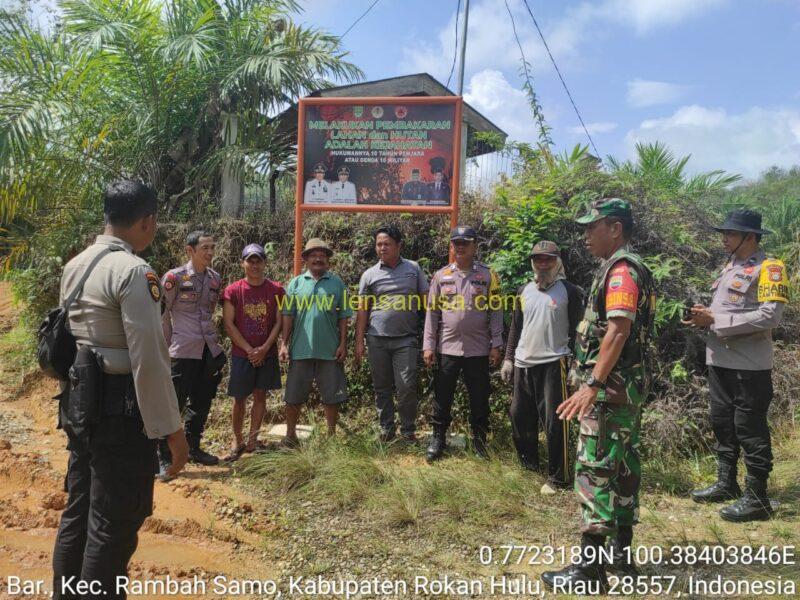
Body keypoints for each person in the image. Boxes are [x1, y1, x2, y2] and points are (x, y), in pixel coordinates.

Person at [52, 180, 188, 600]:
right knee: (112, 524)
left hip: (81, 406)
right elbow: (150, 361)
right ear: (147, 221)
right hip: (120, 414)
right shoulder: (133, 271)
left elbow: (67, 344)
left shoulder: (76, 264)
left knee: (78, 512)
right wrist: (173, 432)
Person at [541, 198, 656, 591]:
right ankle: (621, 555)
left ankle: (590, 572)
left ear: (616, 228)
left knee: (595, 471)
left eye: (593, 227)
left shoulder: (622, 272)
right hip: (625, 392)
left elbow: (618, 331)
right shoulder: (626, 268)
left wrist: (592, 385)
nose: (586, 234)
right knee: (623, 468)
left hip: (609, 394)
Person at [684, 209, 788, 522]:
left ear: (750, 237)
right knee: (722, 423)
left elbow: (770, 317)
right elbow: (726, 307)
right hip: (720, 361)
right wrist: (703, 316)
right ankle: (725, 483)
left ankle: (757, 498)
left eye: (730, 233)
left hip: (749, 365)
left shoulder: (770, 268)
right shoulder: (730, 266)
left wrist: (717, 319)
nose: (724, 238)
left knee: (749, 429)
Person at [501, 240, 583, 493]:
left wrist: (577, 365)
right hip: (523, 363)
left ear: (557, 262)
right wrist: (508, 359)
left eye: (548, 259)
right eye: (538, 259)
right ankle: (529, 467)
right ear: (533, 263)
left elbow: (580, 331)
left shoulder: (570, 291)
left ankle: (559, 477)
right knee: (519, 416)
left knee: (555, 422)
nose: (543, 264)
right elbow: (516, 326)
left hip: (553, 363)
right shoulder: (524, 290)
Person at [423, 225, 503, 461]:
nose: (460, 247)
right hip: (447, 347)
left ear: (474, 246)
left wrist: (496, 343)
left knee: (479, 397)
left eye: (465, 243)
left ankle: (479, 441)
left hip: (478, 349)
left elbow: (496, 310)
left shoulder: (489, 276)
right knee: (442, 396)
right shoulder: (441, 275)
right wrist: (428, 345)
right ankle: (438, 439)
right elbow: (432, 313)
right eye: (456, 243)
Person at [158, 230, 226, 477]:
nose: (209, 252)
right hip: (181, 350)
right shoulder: (174, 278)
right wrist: (164, 350)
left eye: (212, 247)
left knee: (202, 401)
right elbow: (163, 315)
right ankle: (164, 456)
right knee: (173, 404)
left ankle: (193, 447)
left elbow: (209, 312)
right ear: (190, 250)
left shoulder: (215, 278)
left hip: (208, 349)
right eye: (204, 248)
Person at [354, 225, 429, 442]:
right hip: (376, 339)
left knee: (406, 386)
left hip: (406, 339)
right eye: (378, 244)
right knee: (382, 387)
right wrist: (359, 341)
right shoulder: (369, 275)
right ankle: (386, 430)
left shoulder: (413, 269)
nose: (382, 248)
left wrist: (431, 337)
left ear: (399, 245)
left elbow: (426, 303)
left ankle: (407, 430)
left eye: (387, 244)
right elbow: (362, 310)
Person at [279, 239, 351, 444]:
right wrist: (284, 343)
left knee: (332, 396)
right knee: (293, 395)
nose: (318, 258)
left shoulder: (337, 284)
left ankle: (331, 436)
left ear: (328, 260)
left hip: (329, 350)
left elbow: (344, 316)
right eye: (313, 255)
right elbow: (287, 315)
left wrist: (343, 343)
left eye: (322, 255)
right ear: (306, 259)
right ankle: (290, 436)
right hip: (300, 349)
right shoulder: (296, 283)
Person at [221, 243, 284, 461]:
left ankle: (252, 439)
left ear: (265, 263)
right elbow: (228, 323)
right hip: (242, 354)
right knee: (239, 398)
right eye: (250, 260)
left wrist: (265, 348)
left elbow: (279, 321)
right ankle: (236, 439)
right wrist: (249, 350)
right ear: (243, 263)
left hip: (267, 353)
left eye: (259, 260)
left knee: (260, 395)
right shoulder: (233, 290)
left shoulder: (276, 289)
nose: (255, 265)